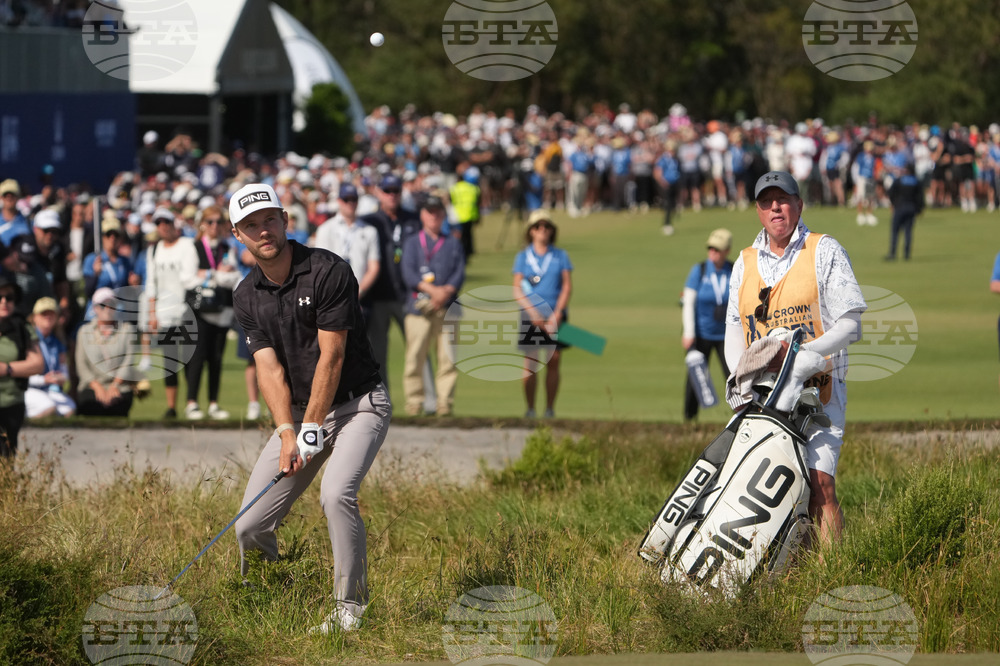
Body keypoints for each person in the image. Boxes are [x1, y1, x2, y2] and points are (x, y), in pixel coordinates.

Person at [228, 183, 390, 634]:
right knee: (249, 525)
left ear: (285, 220)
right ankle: (270, 599)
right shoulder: (245, 295)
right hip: (300, 417)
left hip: (359, 404)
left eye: (269, 219)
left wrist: (311, 428)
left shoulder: (327, 270)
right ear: (237, 234)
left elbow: (332, 357)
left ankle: (350, 609)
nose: (263, 230)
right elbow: (269, 369)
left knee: (335, 494)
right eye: (251, 225)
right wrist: (288, 433)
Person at [725, 171, 866, 547]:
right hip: (763, 394)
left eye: (783, 200)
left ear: (799, 205)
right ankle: (786, 572)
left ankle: (831, 569)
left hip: (819, 389)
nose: (776, 208)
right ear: (758, 211)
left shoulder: (824, 249)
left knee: (820, 484)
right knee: (766, 491)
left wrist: (804, 356)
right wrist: (739, 377)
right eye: (767, 202)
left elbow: (851, 324)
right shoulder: (744, 261)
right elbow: (734, 328)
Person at [400, 192, 465, 417]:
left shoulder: (453, 242)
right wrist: (432, 291)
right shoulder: (412, 242)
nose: (433, 216)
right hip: (418, 308)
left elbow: (459, 273)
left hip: (447, 307)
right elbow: (408, 274)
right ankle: (414, 403)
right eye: (429, 212)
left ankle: (445, 403)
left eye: (437, 212)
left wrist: (444, 292)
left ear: (443, 215)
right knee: (414, 358)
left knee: (448, 359)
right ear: (422, 214)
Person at [512, 209, 573, 419]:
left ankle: (549, 409)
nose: (542, 230)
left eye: (546, 226)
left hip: (555, 313)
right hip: (531, 315)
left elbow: (566, 286)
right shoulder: (523, 257)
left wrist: (558, 313)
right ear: (531, 230)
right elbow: (517, 289)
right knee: (531, 361)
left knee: (553, 359)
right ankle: (530, 409)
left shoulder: (560, 255)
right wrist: (532, 313)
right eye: (538, 226)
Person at [144, 207, 200, 419]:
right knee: (169, 361)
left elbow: (191, 276)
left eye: (166, 222)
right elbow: (151, 283)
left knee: (189, 359)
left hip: (186, 310)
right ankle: (171, 407)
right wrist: (152, 313)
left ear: (173, 224)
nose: (163, 227)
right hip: (164, 313)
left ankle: (191, 403)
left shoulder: (186, 245)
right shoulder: (154, 250)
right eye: (159, 223)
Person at [186, 206, 240, 420]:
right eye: (210, 222)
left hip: (223, 310)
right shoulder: (195, 247)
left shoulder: (227, 247)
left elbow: (233, 277)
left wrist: (208, 275)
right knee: (197, 357)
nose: (214, 226)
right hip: (200, 310)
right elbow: (189, 279)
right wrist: (217, 274)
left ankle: (213, 403)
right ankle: (191, 402)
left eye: (218, 222)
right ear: (202, 224)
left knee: (216, 358)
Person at [681, 229, 733, 421]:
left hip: (727, 336)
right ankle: (689, 419)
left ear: (726, 251)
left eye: (717, 249)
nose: (713, 253)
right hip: (701, 334)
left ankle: (741, 417)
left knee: (734, 377)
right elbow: (688, 302)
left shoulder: (734, 270)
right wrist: (688, 332)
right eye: (711, 248)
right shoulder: (700, 270)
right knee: (696, 376)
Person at [75, 287, 141, 417]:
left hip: (119, 386)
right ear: (95, 308)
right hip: (91, 386)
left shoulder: (127, 330)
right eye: (103, 305)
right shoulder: (84, 331)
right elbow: (81, 364)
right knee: (91, 404)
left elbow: (128, 362)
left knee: (118, 403)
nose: (107, 309)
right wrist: (97, 386)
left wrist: (115, 385)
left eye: (111, 304)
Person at [0, 273, 44, 456]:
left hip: (11, 402)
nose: (4, 301)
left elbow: (38, 364)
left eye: (9, 297)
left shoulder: (22, 327)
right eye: (0, 297)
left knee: (7, 458)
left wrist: (7, 369)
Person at [313, 183, 380, 300]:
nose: (350, 203)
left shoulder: (369, 230)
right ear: (339, 201)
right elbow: (320, 266)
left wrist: (359, 292)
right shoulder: (325, 229)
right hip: (332, 296)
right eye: (346, 199)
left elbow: (373, 267)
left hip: (361, 297)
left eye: (354, 199)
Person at [25, 297, 75, 419]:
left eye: (51, 313)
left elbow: (64, 371)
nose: (48, 317)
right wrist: (44, 380)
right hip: (29, 387)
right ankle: (26, 424)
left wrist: (61, 377)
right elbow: (21, 375)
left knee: (70, 409)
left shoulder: (57, 342)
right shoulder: (27, 339)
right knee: (48, 407)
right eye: (44, 313)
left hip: (50, 389)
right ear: (34, 317)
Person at [886, 164, 924, 261]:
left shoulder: (899, 180)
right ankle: (906, 254)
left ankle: (892, 253)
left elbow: (890, 193)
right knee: (908, 231)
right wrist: (919, 209)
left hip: (899, 207)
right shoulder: (916, 182)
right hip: (911, 208)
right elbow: (920, 197)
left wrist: (894, 203)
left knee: (895, 231)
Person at [449, 167, 482, 259]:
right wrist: (478, 216)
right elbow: (478, 203)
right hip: (470, 214)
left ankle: (461, 250)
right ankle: (469, 250)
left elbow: (450, 200)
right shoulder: (474, 188)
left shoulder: (455, 187)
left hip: (457, 215)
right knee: (468, 234)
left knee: (460, 234)